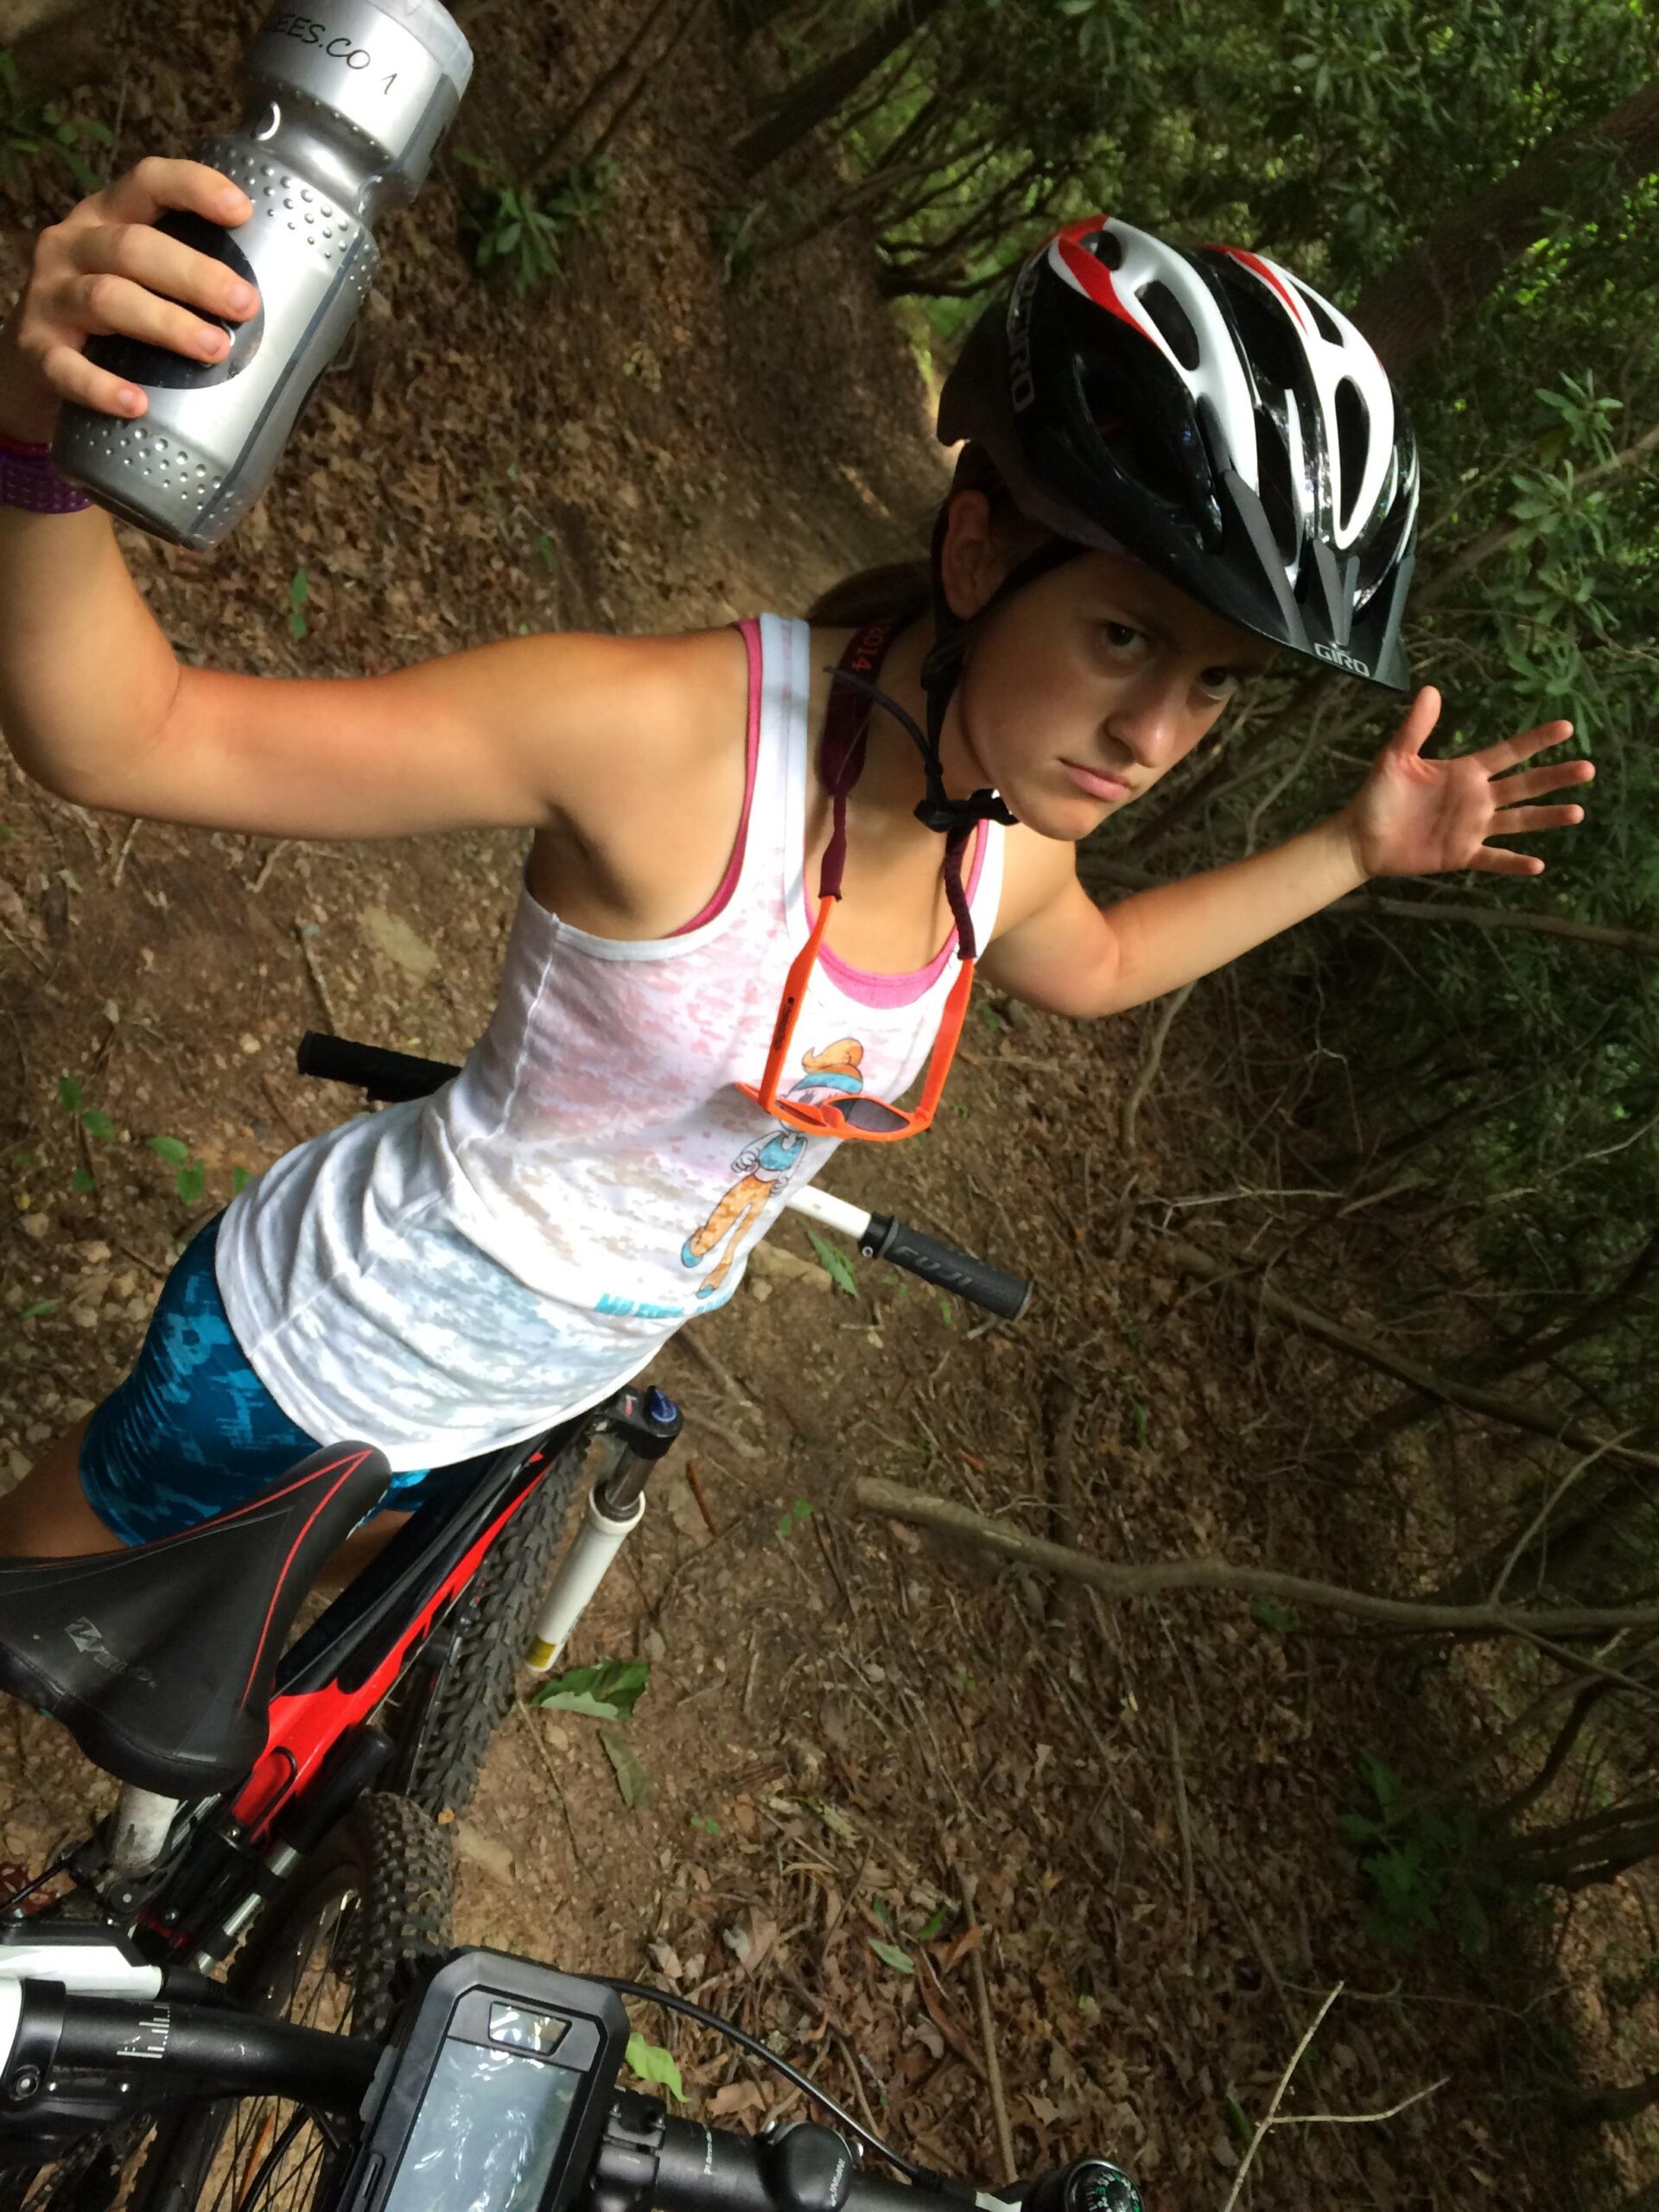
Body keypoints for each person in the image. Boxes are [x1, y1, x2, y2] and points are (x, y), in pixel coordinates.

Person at [0, 168, 1593, 1560]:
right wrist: (27, 433)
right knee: (39, 1616)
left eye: (1214, 685)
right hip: (310, 1363)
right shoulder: (658, 739)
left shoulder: (1007, 841)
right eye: (1125, 637)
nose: (1156, 734)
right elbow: (133, 738)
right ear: (981, 554)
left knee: (255, 1714)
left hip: (521, 1408)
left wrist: (1356, 846)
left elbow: (1098, 970)